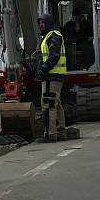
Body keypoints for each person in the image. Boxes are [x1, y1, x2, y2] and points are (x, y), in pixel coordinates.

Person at [36, 13, 67, 142]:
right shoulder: (51, 35)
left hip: (51, 76)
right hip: (54, 75)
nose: (40, 25)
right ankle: (60, 132)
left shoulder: (53, 35)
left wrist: (43, 70)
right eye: (39, 23)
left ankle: (50, 134)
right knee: (56, 104)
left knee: (49, 105)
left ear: (48, 22)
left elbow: (53, 56)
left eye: (42, 22)